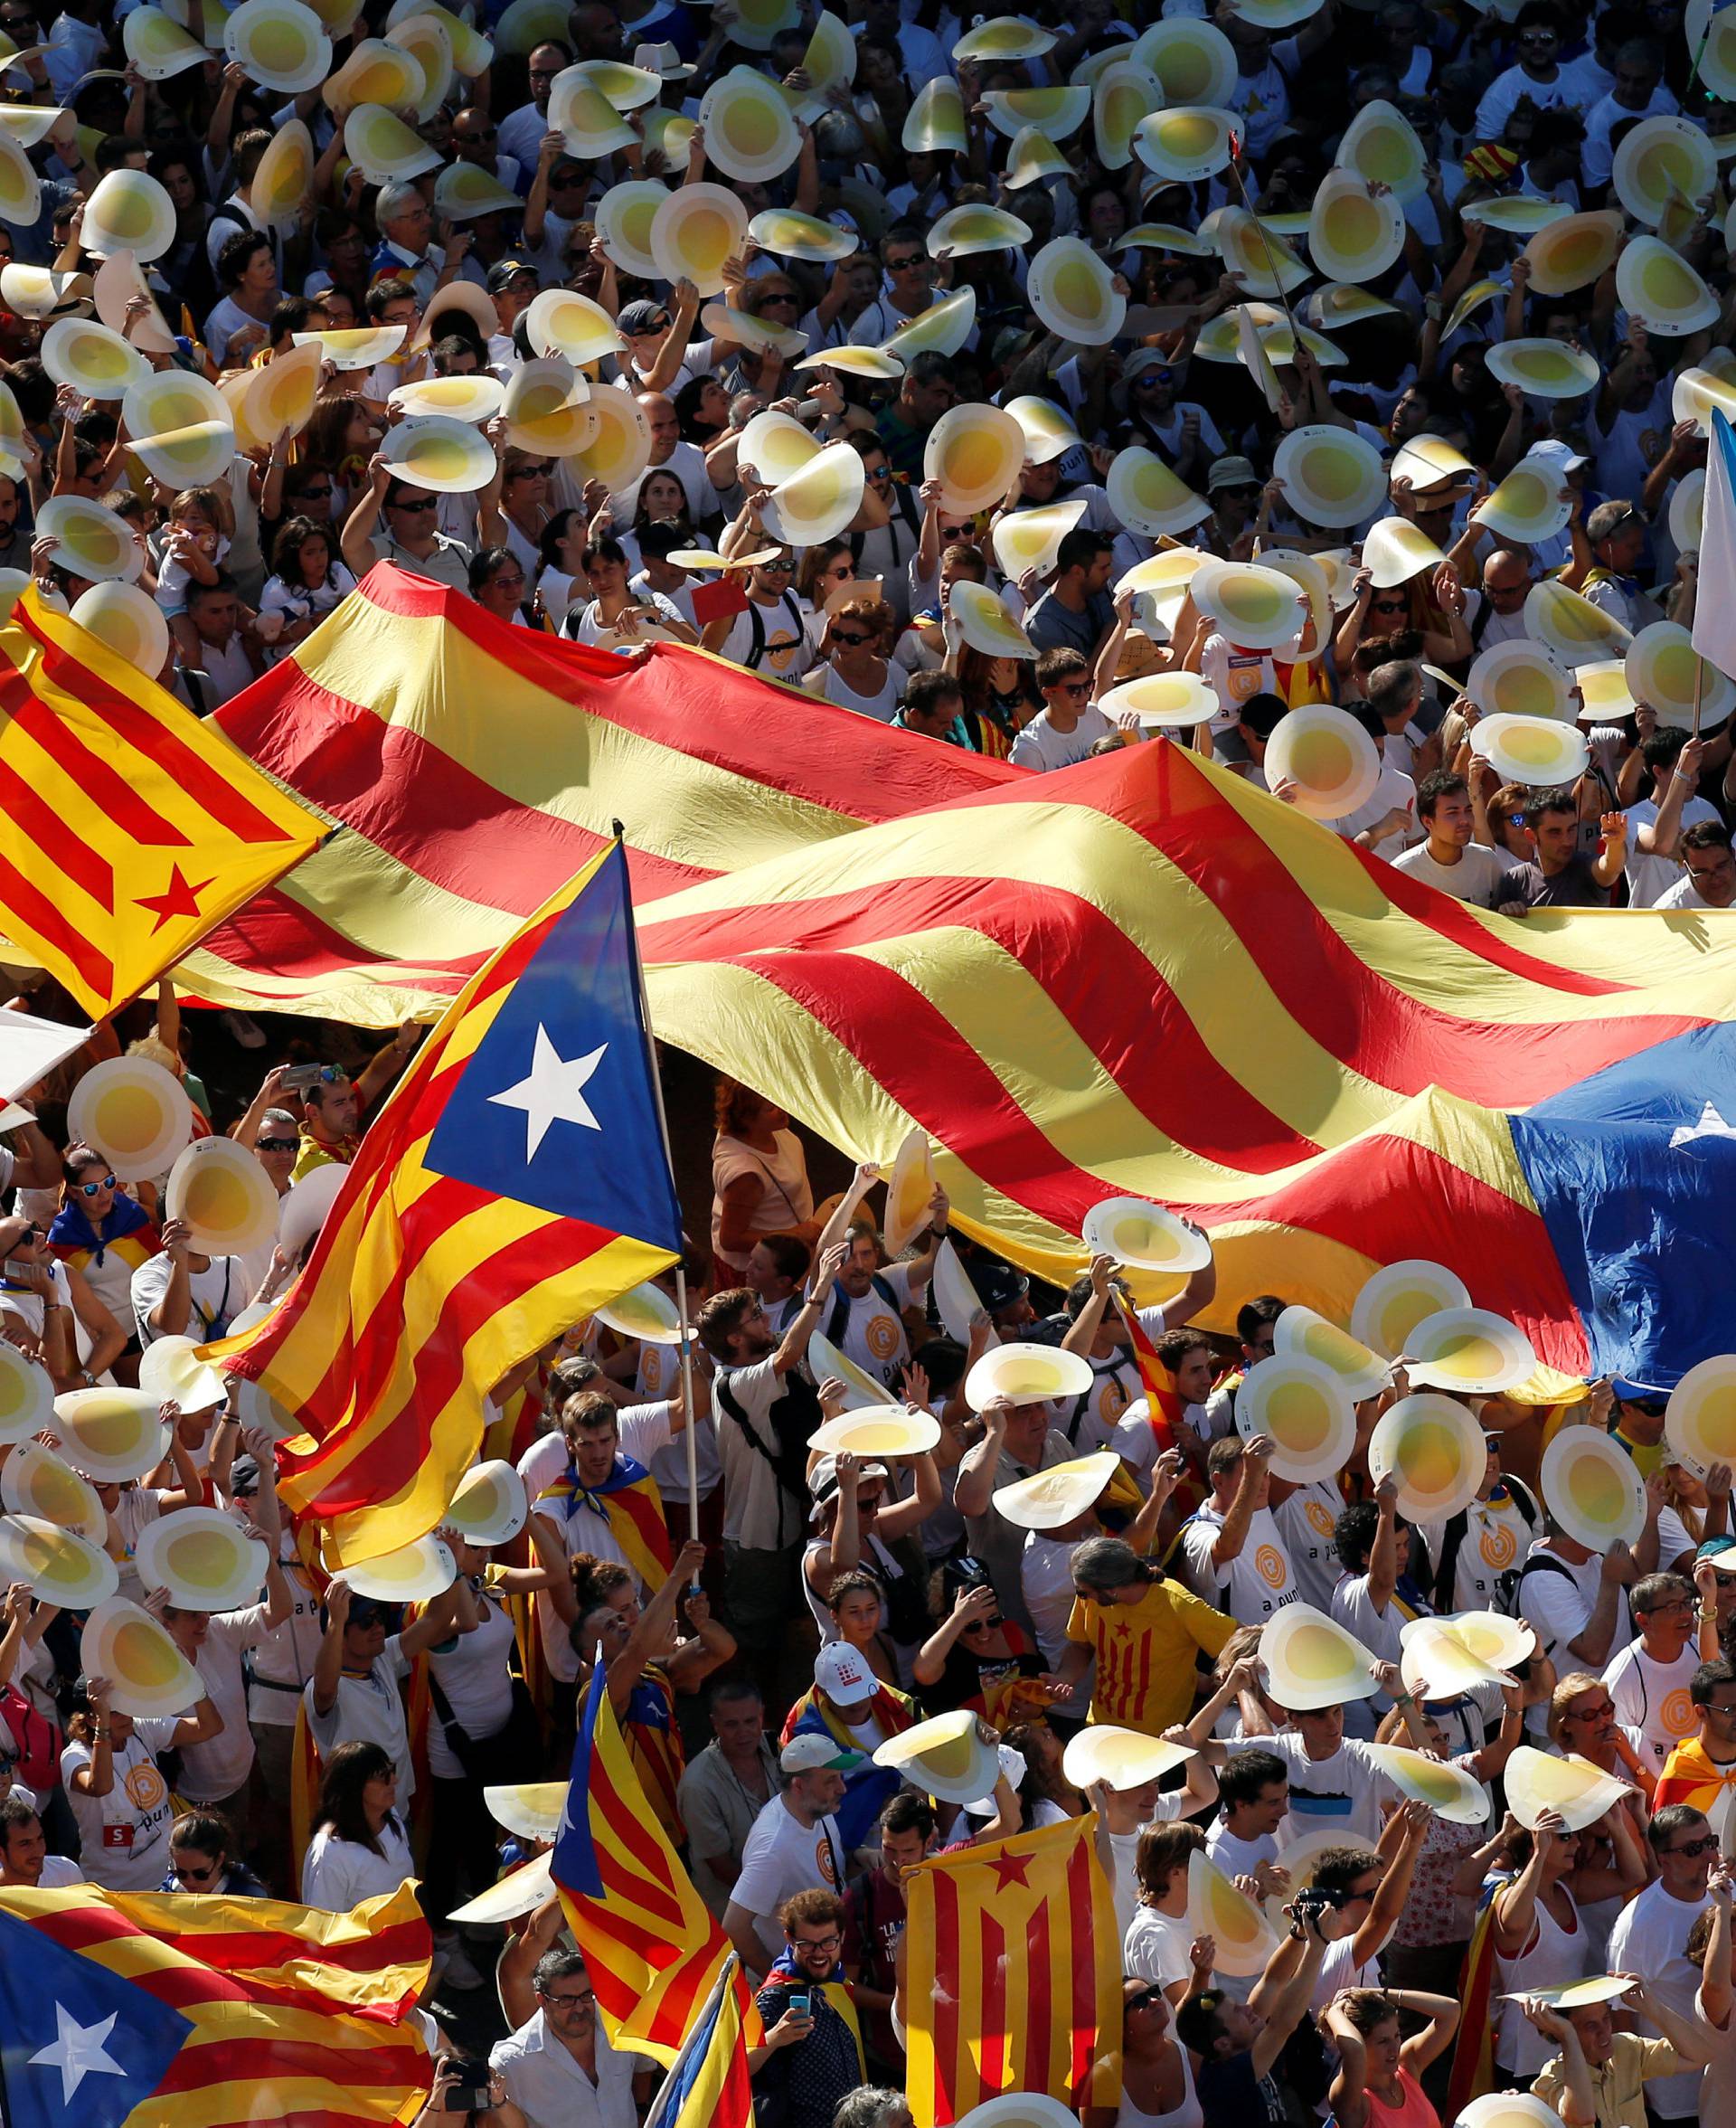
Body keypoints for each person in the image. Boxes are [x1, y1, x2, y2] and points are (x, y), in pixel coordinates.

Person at [724, 1733, 856, 1978]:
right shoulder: (773, 1847)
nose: (842, 1788)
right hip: (798, 1991)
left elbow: (827, 1870)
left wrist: (861, 1856)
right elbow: (734, 1926)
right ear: (799, 1785)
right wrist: (782, 1982)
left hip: (828, 1973)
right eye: (830, 1781)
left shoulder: (819, 1810)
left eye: (840, 1777)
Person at [750, 1887, 864, 2128]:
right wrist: (774, 2038)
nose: (819, 1954)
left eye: (828, 1942)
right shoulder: (775, 1997)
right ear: (789, 1939)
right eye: (807, 1945)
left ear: (842, 1936)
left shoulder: (839, 1986)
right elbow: (737, 2067)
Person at [677, 1679, 781, 1920]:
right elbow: (721, 1866)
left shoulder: (777, 1752)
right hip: (732, 1914)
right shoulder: (698, 1784)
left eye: (750, 1721)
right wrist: (776, 1902)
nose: (743, 1732)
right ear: (715, 1724)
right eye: (732, 1724)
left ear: (762, 1715)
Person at [300, 1738, 413, 1909]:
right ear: (353, 1786)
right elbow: (322, 1925)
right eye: (382, 1776)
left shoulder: (392, 1817)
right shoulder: (331, 1852)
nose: (394, 1780)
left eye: (392, 1771)